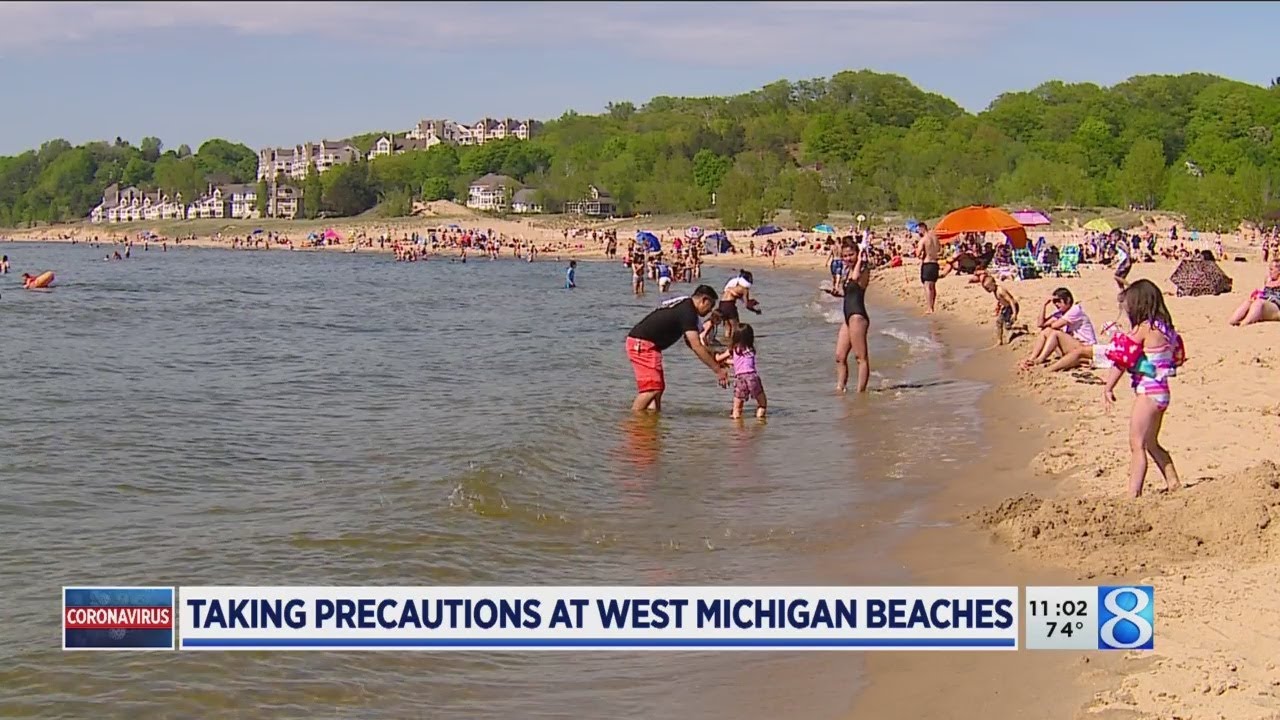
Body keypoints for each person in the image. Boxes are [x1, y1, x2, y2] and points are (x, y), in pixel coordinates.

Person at [1102, 279, 1183, 498]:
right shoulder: (1165, 328)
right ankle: (1173, 481)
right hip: (1162, 391)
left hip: (1147, 393)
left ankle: (1133, 493)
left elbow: (1123, 358)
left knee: (1136, 444)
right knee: (1151, 443)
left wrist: (1108, 387)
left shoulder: (1144, 329)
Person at [625, 285, 727, 412]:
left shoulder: (686, 307)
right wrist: (717, 370)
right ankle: (634, 422)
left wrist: (713, 357)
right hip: (642, 344)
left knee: (657, 389)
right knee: (651, 389)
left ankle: (651, 423)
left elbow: (691, 342)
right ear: (704, 300)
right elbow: (696, 346)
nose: (709, 311)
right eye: (710, 306)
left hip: (648, 345)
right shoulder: (688, 312)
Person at [826, 239, 872, 393]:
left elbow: (856, 280)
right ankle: (841, 388)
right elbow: (847, 293)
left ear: (858, 254)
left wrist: (859, 259)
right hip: (847, 316)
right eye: (845, 256)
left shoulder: (863, 269)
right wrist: (834, 292)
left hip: (858, 316)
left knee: (861, 357)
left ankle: (860, 393)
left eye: (851, 255)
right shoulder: (847, 271)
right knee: (840, 356)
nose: (847, 258)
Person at [1020, 288, 1098, 369]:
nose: (1056, 304)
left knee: (1055, 333)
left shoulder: (1075, 310)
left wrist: (1052, 323)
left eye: (1058, 301)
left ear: (1067, 300)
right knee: (1045, 331)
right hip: (1073, 346)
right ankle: (1032, 358)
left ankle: (1040, 359)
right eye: (1054, 302)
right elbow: (1040, 324)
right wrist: (1044, 305)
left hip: (1085, 347)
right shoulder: (1061, 313)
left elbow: (1055, 326)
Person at [715, 323, 767, 419]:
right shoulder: (751, 349)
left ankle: (737, 426)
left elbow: (719, 359)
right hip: (752, 377)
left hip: (740, 379)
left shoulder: (733, 350)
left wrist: (719, 357)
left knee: (737, 408)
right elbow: (744, 363)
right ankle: (760, 421)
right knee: (762, 404)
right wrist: (729, 362)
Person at [1227, 260, 1280, 326]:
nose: (1270, 272)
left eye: (1272, 269)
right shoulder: (1268, 280)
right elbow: (1263, 291)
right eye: (1269, 269)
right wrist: (1258, 294)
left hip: (1276, 307)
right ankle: (1233, 320)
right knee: (1248, 301)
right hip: (1265, 302)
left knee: (1258, 303)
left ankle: (1244, 323)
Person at [718, 270, 760, 345]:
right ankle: (734, 345)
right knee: (735, 327)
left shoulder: (733, 285)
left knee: (727, 327)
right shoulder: (745, 289)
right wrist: (755, 311)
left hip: (721, 304)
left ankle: (726, 344)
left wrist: (751, 302)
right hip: (730, 305)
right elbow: (746, 305)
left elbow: (736, 296)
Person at [980, 274, 1020, 347]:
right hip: (1006, 307)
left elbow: (1011, 301)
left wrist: (1014, 313)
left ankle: (1019, 331)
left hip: (1012, 307)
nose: (988, 290)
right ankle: (999, 340)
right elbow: (1000, 300)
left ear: (993, 284)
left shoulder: (1000, 291)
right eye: (986, 289)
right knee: (998, 322)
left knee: (1007, 325)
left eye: (988, 288)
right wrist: (998, 307)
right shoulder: (995, 291)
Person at [915, 222, 941, 314]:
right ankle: (932, 306)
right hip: (935, 264)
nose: (918, 232)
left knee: (927, 286)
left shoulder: (923, 239)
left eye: (918, 230)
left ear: (922, 229)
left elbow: (918, 253)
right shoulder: (935, 238)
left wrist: (920, 253)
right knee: (933, 286)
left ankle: (930, 308)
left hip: (927, 263)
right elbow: (939, 250)